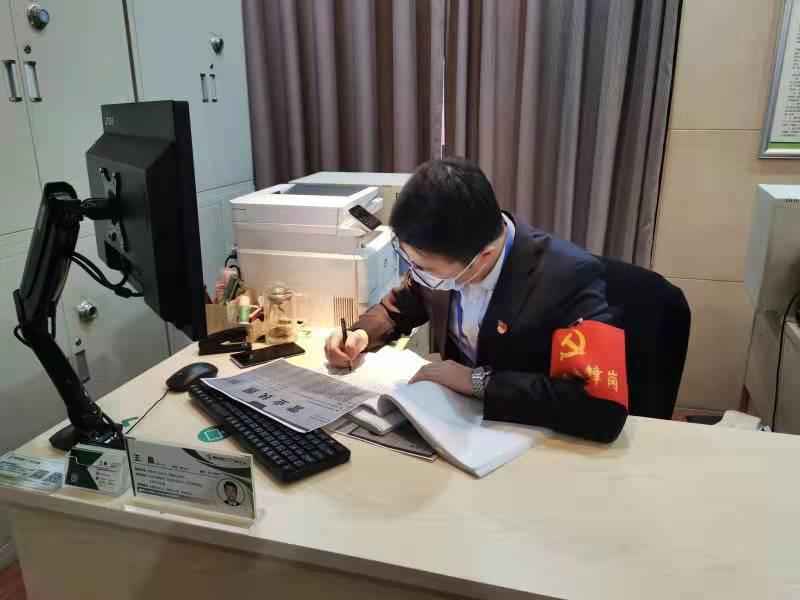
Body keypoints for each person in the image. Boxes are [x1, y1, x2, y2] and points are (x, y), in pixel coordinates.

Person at [324, 157, 628, 443]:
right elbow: (402, 305)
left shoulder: (569, 278)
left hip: (523, 435)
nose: (416, 274)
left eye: (426, 268)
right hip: (449, 424)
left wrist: (478, 382)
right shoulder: (443, 256)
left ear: (482, 257)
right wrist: (361, 334)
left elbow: (602, 408)